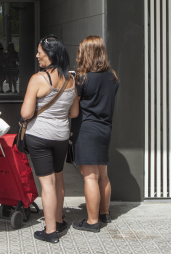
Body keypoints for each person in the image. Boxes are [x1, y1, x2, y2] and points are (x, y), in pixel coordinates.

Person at [20, 35, 79, 244]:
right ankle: (60, 219)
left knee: (47, 184)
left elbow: (26, 113)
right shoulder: (71, 79)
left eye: (40, 52)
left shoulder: (38, 79)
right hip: (61, 137)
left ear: (50, 54)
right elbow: (73, 113)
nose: (37, 56)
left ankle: (51, 230)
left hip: (40, 137)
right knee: (58, 178)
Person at [70, 36, 119, 233]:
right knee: (103, 175)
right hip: (105, 128)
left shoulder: (82, 78)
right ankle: (104, 213)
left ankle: (92, 222)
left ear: (87, 53)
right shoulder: (112, 76)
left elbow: (74, 108)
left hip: (87, 129)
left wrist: (73, 84)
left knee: (89, 176)